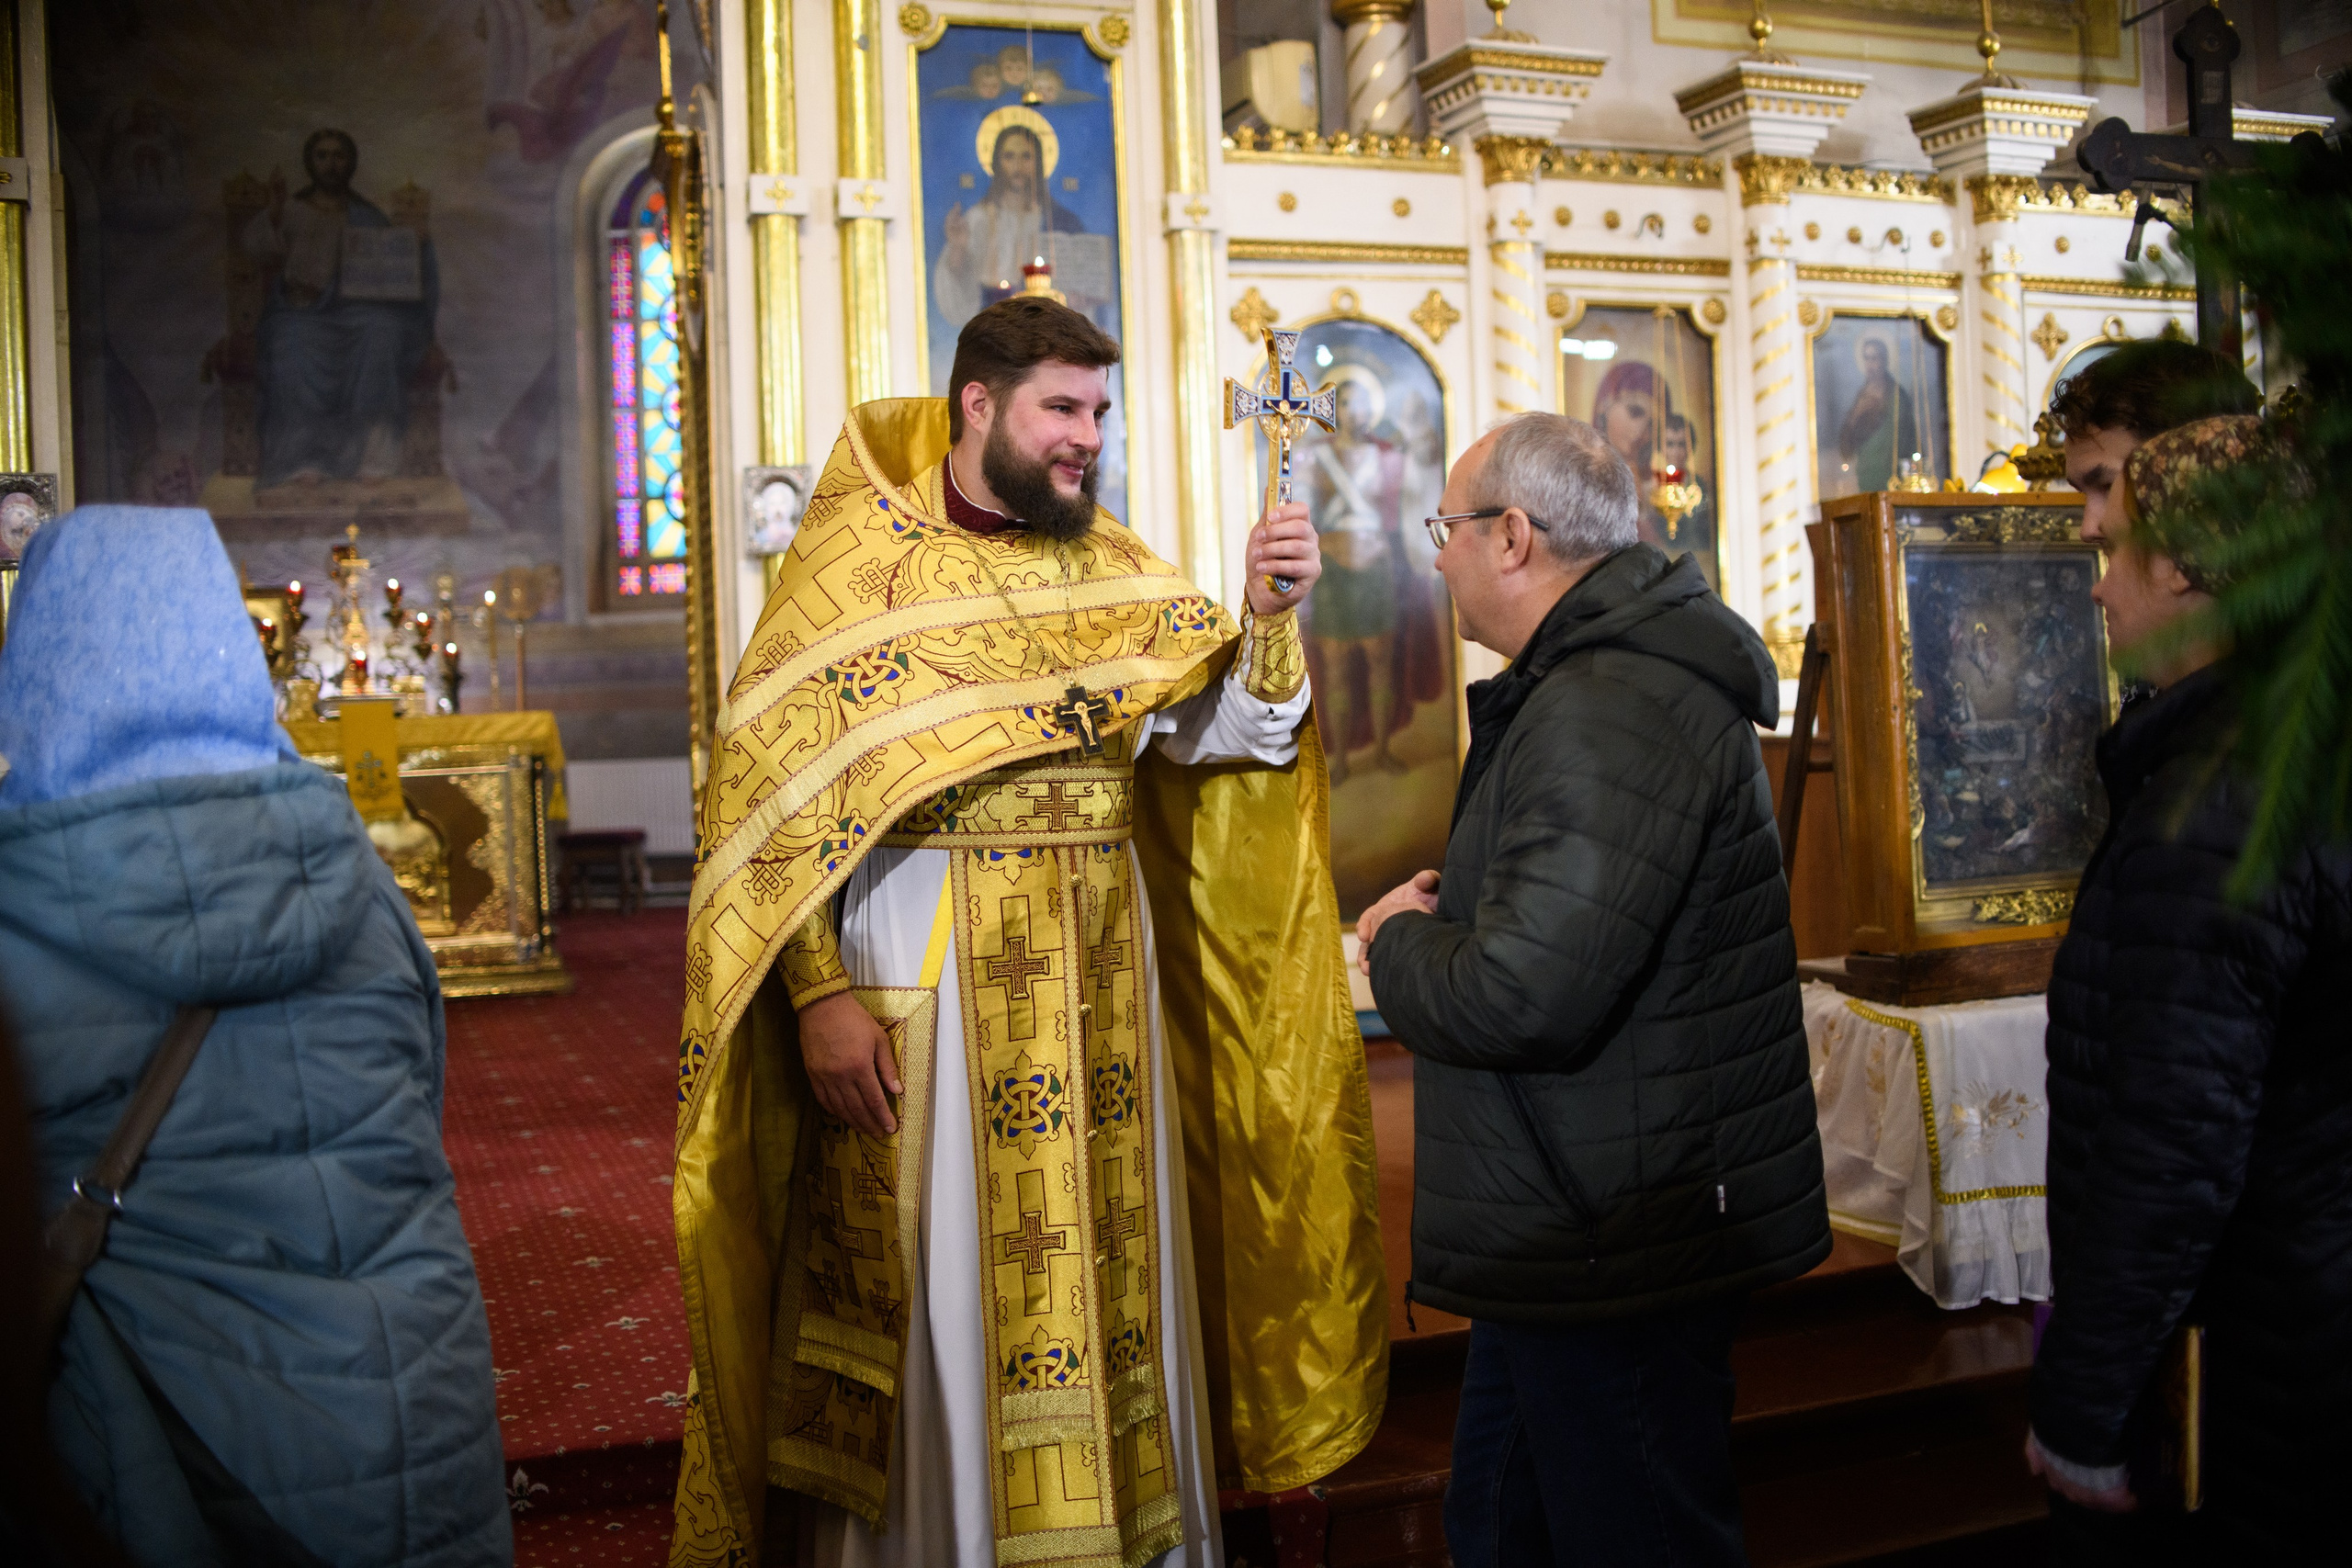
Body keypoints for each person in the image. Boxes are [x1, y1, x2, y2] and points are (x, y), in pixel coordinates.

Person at [670, 295, 1386, 1567]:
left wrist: (1266, 619)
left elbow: (1222, 740)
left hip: (1101, 996)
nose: (1087, 439)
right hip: (922, 994)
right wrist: (816, 993)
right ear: (979, 404)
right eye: (1062, 408)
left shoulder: (1108, 563)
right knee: (940, 1293)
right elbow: (769, 802)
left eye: (1098, 412)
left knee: (1107, 1276)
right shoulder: (859, 564)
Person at [1357, 413, 1829, 1567]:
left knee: (1636, 1538)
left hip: (1612, 1230)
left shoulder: (1606, 702)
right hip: (1572, 1213)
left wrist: (1392, 942)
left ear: (1512, 536)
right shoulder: (1595, 682)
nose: (1438, 557)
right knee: (1501, 1527)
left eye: (1449, 529)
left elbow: (1525, 993)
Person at [0, 507, 508, 1564]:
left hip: (169, 1443)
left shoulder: (19, 914)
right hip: (410, 1399)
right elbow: (418, 1099)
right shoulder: (364, 885)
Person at [2026, 412, 2351, 1562]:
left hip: (2258, 1351)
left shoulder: (2216, 797)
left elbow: (2171, 1140)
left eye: (2118, 550)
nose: (2100, 585)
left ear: (2183, 566)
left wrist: (2082, 1405)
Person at [241, 129, 439, 489]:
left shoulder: (366, 215)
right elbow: (254, 247)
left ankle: (373, 458)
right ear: (310, 162)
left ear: (350, 163)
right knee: (291, 343)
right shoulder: (292, 210)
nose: (331, 164)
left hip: (354, 314)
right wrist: (274, 211)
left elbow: (394, 266)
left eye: (338, 156)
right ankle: (302, 459)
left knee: (382, 333)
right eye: (322, 156)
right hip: (301, 312)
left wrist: (417, 243)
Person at [933, 122, 1090, 327]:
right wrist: (957, 247)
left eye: (1026, 157)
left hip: (1043, 329)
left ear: (1038, 162)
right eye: (1009, 156)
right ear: (997, 162)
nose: (1018, 166)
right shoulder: (978, 219)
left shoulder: (1061, 221)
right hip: (994, 327)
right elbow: (957, 289)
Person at [1834, 334, 1919, 493]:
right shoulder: (1861, 396)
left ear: (1884, 360)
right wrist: (1857, 414)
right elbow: (1847, 444)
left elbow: (1909, 437)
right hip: (1867, 474)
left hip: (1893, 476)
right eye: (1867, 358)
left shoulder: (1897, 395)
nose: (1870, 364)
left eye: (1875, 358)